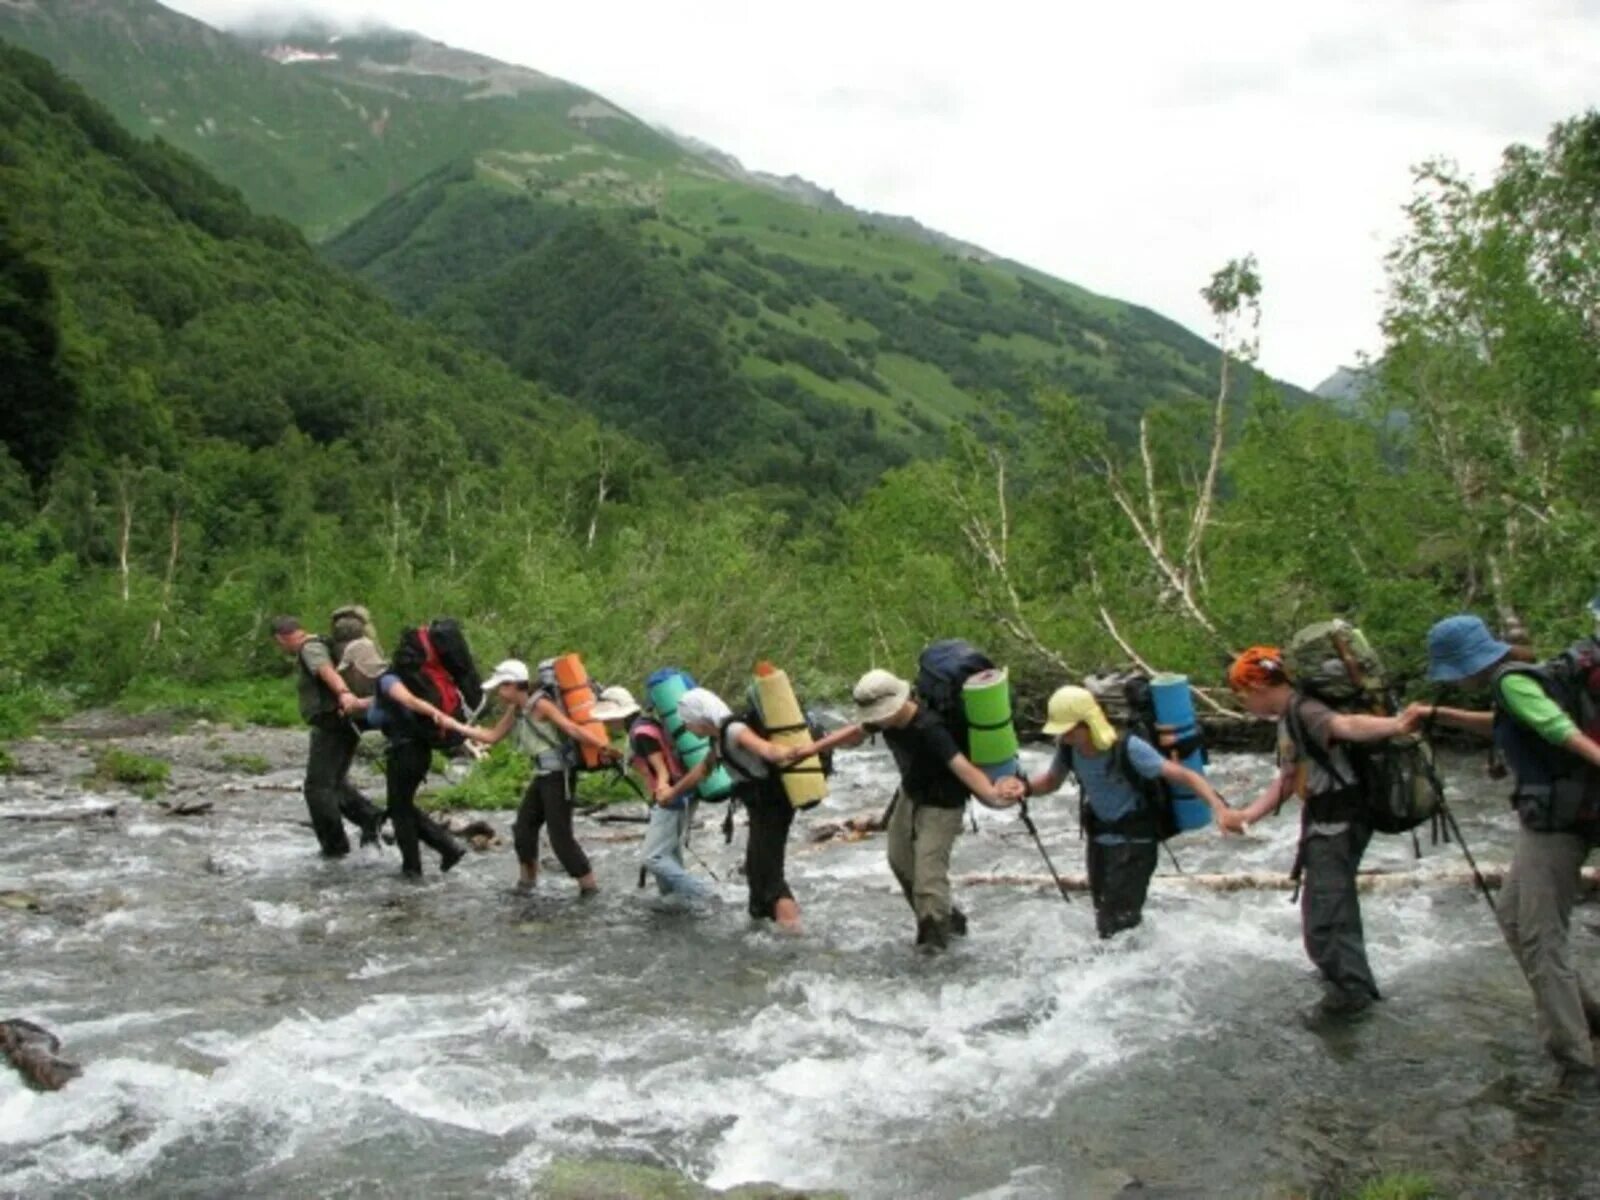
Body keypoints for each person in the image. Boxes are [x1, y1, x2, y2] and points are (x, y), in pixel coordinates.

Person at [1412, 614, 1600, 1094]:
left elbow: (1556, 727)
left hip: (1560, 819)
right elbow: (1508, 724)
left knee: (1540, 935)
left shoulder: (1511, 683)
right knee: (1513, 916)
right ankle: (1587, 1019)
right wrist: (1438, 716)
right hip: (1564, 811)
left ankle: (1574, 1060)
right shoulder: (1513, 683)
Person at [1225, 646, 1422, 1024]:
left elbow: (1345, 727)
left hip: (1340, 820)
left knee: (1329, 914)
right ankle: (1341, 981)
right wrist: (1248, 815)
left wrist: (1397, 725)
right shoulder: (1288, 718)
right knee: (1321, 911)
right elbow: (1287, 780)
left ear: (1258, 686)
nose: (1243, 704)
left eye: (1242, 695)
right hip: (1323, 821)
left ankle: (1354, 998)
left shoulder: (1305, 711)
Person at [999, 686, 1238, 940]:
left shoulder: (1129, 748)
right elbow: (1050, 782)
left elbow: (1186, 775)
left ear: (1087, 723)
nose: (1063, 736)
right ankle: (1131, 964)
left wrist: (1219, 808)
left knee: (1115, 923)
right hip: (1100, 841)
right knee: (1105, 915)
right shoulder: (1068, 749)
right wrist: (1023, 788)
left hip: (1135, 844)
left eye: (1068, 729)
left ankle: (1131, 971)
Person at [844, 669, 1020, 952]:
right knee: (899, 862)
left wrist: (994, 796)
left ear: (899, 702)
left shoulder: (930, 727)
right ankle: (951, 921)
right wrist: (809, 750)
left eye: (879, 712)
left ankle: (933, 947)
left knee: (928, 879)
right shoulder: (883, 722)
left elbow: (962, 767)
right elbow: (856, 732)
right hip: (910, 794)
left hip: (943, 805)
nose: (875, 718)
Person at [456, 659, 618, 897]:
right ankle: (526, 883)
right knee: (523, 828)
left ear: (513, 685)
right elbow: (492, 736)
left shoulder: (541, 704)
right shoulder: (518, 708)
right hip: (543, 775)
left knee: (560, 838)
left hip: (559, 775)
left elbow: (571, 728)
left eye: (502, 687)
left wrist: (604, 746)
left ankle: (590, 888)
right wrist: (455, 726)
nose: (499, 693)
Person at [657, 688, 812, 932]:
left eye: (686, 721)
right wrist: (673, 793)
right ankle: (761, 922)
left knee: (770, 872)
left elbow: (767, 750)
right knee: (754, 867)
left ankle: (793, 934)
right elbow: (702, 771)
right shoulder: (719, 739)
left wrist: (789, 752)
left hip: (773, 804)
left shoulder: (734, 730)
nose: (686, 728)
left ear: (700, 717)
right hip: (760, 805)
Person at [271, 615, 384, 858]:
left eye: (280, 644)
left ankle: (334, 847)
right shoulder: (319, 643)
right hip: (343, 721)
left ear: (281, 638)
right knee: (335, 782)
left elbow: (325, 670)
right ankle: (370, 817)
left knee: (317, 787)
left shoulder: (309, 647)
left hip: (334, 721)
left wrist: (344, 694)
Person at [592, 686, 712, 902]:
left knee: (653, 857)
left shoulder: (640, 733)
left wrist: (664, 789)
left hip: (673, 796)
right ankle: (674, 900)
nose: (605, 722)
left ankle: (704, 894)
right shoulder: (645, 725)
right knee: (669, 853)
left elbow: (661, 768)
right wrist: (619, 757)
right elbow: (652, 758)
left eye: (607, 717)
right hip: (686, 792)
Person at [370, 630, 468, 880]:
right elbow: (388, 703)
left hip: (405, 752)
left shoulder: (389, 680)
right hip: (417, 750)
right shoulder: (403, 679)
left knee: (400, 811)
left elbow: (410, 701)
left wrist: (438, 715)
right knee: (401, 806)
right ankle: (446, 849)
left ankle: (413, 868)